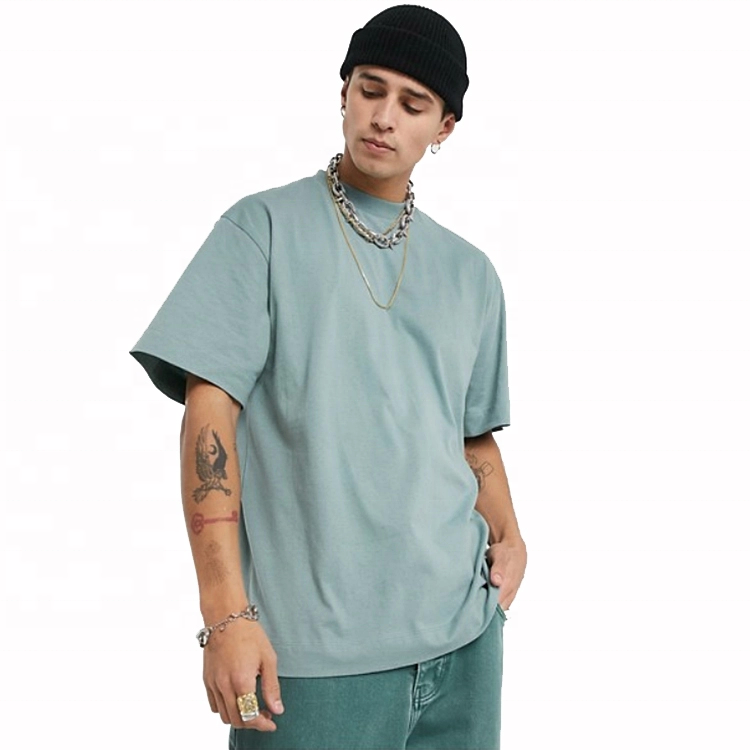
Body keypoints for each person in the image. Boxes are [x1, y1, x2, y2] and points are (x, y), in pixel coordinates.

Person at [129, 4, 527, 749]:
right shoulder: (261, 230)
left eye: (413, 104)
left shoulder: (473, 274)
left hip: (465, 642)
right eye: (369, 89)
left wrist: (511, 536)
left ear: (444, 128)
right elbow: (208, 418)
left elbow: (471, 437)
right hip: (310, 662)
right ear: (343, 92)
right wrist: (225, 615)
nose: (383, 116)